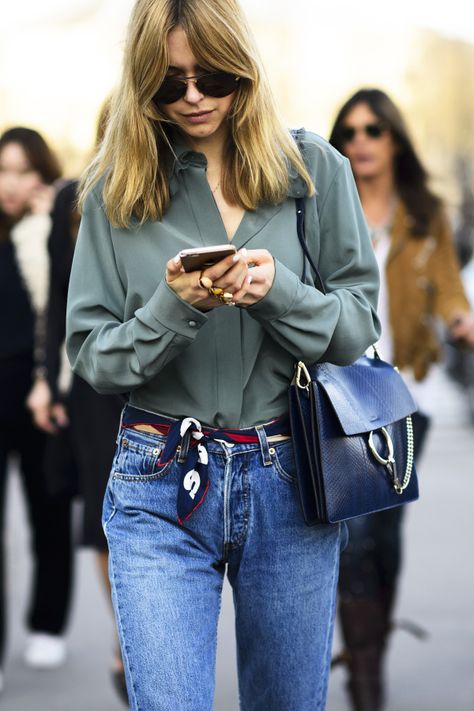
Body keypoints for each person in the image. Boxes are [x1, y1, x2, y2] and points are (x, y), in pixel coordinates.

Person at [66, 1, 380, 709]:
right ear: (142, 82)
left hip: (293, 473)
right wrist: (174, 306)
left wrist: (279, 291)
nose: (195, 96)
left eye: (213, 76)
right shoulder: (114, 189)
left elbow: (358, 325)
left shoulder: (315, 170)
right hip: (158, 476)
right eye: (169, 82)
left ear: (245, 69)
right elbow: (93, 356)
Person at [329, 88, 474, 711]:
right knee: (354, 531)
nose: (360, 140)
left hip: (407, 393)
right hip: (338, 390)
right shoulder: (322, 204)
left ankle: (370, 650)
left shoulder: (423, 212)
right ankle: (366, 678)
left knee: (383, 530)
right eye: (351, 131)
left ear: (394, 140)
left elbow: (446, 287)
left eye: (373, 130)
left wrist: (462, 317)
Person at [27, 102, 126, 703]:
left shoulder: (184, 190)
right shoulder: (76, 198)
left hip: (162, 380)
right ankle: (127, 635)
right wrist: (47, 379)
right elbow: (58, 304)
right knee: (102, 519)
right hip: (93, 387)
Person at [0, 127, 73, 688]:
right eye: (3, 171)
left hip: (39, 392)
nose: (12, 184)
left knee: (47, 513)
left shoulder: (50, 229)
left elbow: (64, 310)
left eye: (24, 171)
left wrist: (48, 225)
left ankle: (48, 624)